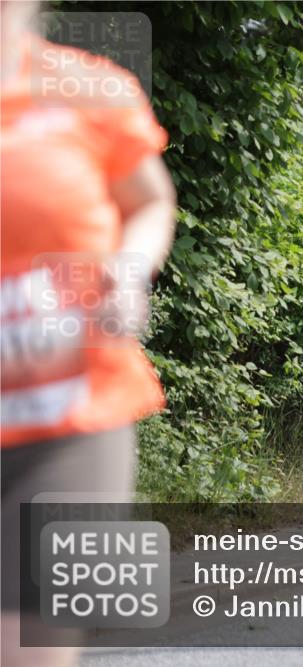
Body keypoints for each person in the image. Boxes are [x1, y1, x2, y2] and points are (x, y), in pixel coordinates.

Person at [1, 3, 177, 666]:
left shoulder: (89, 89)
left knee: (26, 651)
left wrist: (128, 272)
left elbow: (150, 199)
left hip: (70, 418)